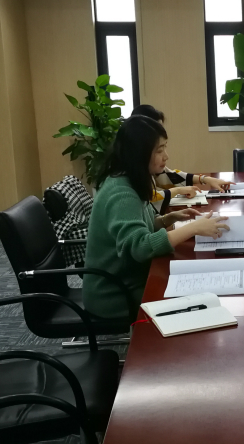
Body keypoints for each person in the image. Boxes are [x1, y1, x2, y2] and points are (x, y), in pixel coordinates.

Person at [83, 115, 230, 319]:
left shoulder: (131, 179)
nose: (166, 156)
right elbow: (140, 247)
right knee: (195, 301)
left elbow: (143, 226)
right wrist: (193, 228)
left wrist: (170, 218)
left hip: (132, 279)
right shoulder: (121, 192)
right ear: (139, 153)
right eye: (159, 150)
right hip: (114, 294)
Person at [131, 105, 233, 195]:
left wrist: (206, 179)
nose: (166, 156)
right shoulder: (131, 175)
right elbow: (151, 198)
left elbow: (170, 175)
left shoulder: (147, 166)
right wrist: (178, 191)